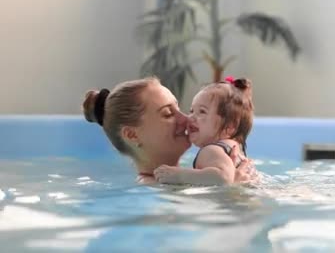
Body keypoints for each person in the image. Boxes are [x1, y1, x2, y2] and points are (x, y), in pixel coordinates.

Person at [82, 77, 255, 184]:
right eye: (167, 114)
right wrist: (233, 189)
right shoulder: (151, 191)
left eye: (179, 108)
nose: (186, 119)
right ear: (132, 134)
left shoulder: (199, 170)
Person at [153, 77, 254, 186]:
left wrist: (179, 175)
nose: (191, 117)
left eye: (202, 111)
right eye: (191, 111)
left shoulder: (211, 150)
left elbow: (224, 178)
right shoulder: (236, 150)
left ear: (229, 127)